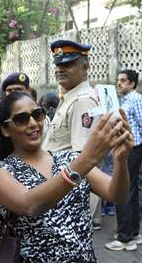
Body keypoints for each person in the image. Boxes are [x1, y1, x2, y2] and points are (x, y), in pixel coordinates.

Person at [0, 92, 133, 263]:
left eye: (37, 115)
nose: (33, 123)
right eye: (21, 119)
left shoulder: (70, 159)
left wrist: (121, 160)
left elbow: (117, 195)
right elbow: (30, 205)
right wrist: (87, 158)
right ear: (5, 129)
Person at [42, 40, 103, 230]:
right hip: (61, 194)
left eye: (67, 64)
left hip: (68, 199)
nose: (60, 69)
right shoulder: (70, 97)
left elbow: (82, 160)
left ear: (86, 66)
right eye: (58, 64)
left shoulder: (83, 102)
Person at [106, 69, 142, 251]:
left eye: (123, 80)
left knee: (122, 190)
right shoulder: (124, 100)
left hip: (132, 148)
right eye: (118, 80)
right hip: (128, 148)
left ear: (132, 83)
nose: (119, 83)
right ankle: (133, 233)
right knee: (130, 191)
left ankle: (125, 238)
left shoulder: (136, 99)